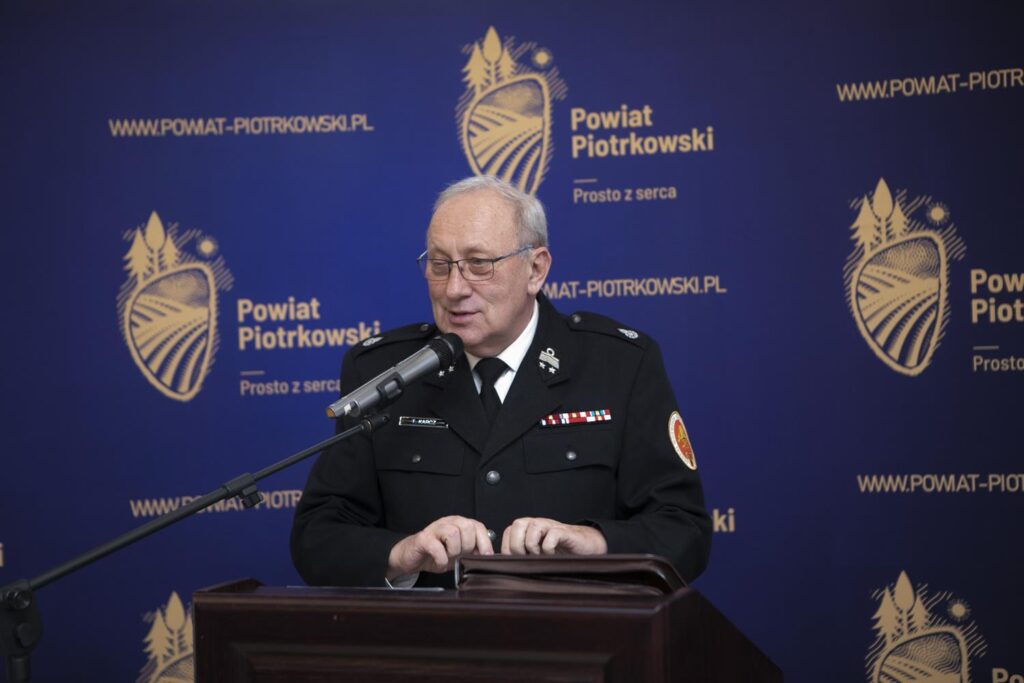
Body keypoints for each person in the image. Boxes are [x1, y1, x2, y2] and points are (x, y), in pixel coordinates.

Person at [291, 176, 711, 588]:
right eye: (440, 265)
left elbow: (683, 530)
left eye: (479, 264)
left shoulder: (620, 364)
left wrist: (594, 543)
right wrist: (401, 554)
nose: (454, 289)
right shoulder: (384, 373)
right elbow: (317, 536)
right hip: (430, 631)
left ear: (536, 269)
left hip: (575, 629)